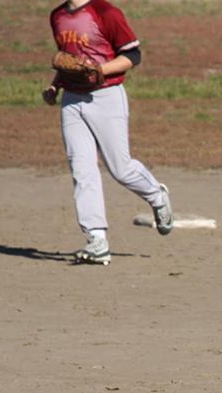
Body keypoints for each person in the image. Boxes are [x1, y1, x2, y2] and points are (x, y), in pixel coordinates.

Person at [43, 0, 173, 266]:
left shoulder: (105, 13)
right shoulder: (57, 16)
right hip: (71, 100)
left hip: (106, 96)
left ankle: (157, 196)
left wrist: (98, 70)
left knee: (120, 168)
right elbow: (68, 61)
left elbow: (132, 56)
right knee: (82, 170)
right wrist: (55, 87)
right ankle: (96, 239)